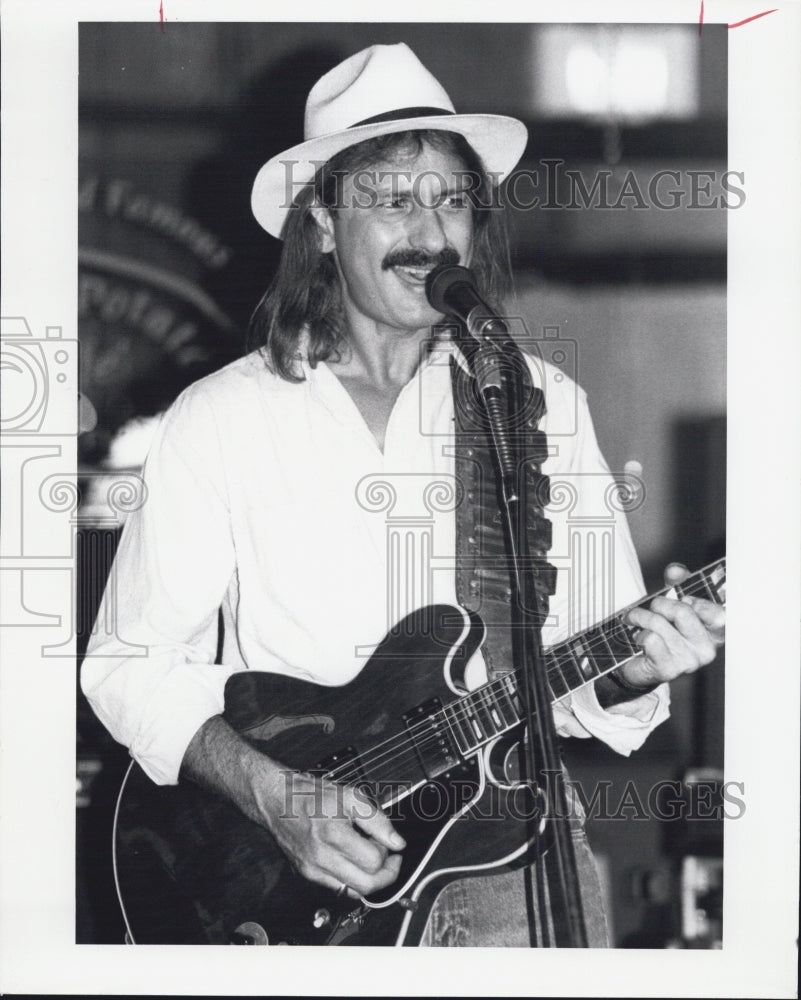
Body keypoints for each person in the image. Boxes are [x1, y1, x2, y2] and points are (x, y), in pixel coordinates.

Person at [82, 43, 725, 947]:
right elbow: (128, 664)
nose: (430, 229)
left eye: (451, 199)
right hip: (287, 882)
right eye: (390, 198)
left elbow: (592, 670)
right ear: (319, 219)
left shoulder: (538, 401)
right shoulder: (221, 416)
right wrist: (277, 797)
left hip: (518, 861)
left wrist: (637, 667)